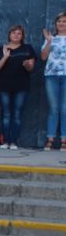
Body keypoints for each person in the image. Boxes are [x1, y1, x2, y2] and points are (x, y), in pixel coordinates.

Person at [0, 25, 36, 149]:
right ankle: (5, 141)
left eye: (19, 33)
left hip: (21, 87)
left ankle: (14, 142)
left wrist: (27, 65)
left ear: (22, 36)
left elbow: (31, 68)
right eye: (13, 33)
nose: (16, 35)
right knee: (6, 115)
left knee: (17, 115)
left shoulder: (27, 49)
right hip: (4, 86)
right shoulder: (1, 49)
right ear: (9, 35)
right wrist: (5, 57)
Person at [41, 10, 66, 151]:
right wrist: (49, 41)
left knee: (65, 108)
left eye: (64, 21)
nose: (61, 23)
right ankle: (50, 138)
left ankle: (64, 139)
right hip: (51, 76)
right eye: (59, 21)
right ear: (56, 24)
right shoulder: (50, 38)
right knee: (53, 108)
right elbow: (43, 57)